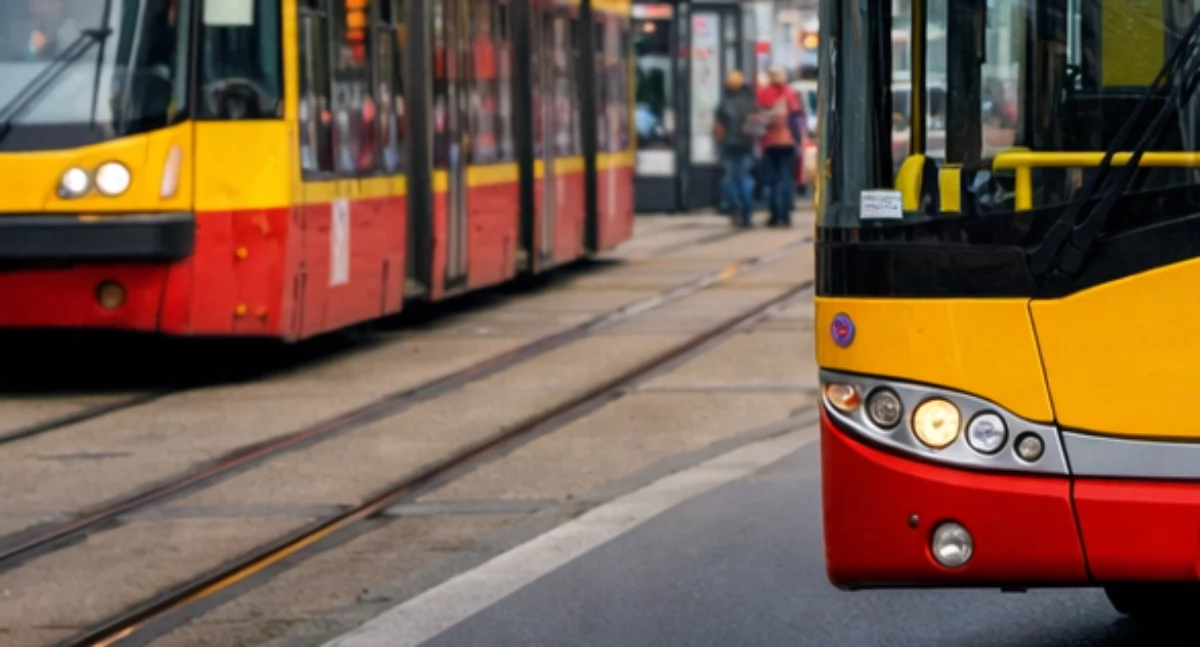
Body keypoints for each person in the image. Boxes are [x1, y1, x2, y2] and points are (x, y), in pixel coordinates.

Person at [756, 66, 803, 227]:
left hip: (769, 143)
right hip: (788, 142)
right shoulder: (790, 95)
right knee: (786, 178)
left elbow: (758, 118)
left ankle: (775, 214)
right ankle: (785, 214)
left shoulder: (764, 94)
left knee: (772, 179)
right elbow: (797, 121)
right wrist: (799, 139)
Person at [713, 69, 759, 227]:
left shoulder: (725, 102)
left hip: (730, 145)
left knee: (731, 179)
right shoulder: (750, 101)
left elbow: (719, 125)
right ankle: (746, 210)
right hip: (747, 144)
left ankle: (736, 207)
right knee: (744, 177)